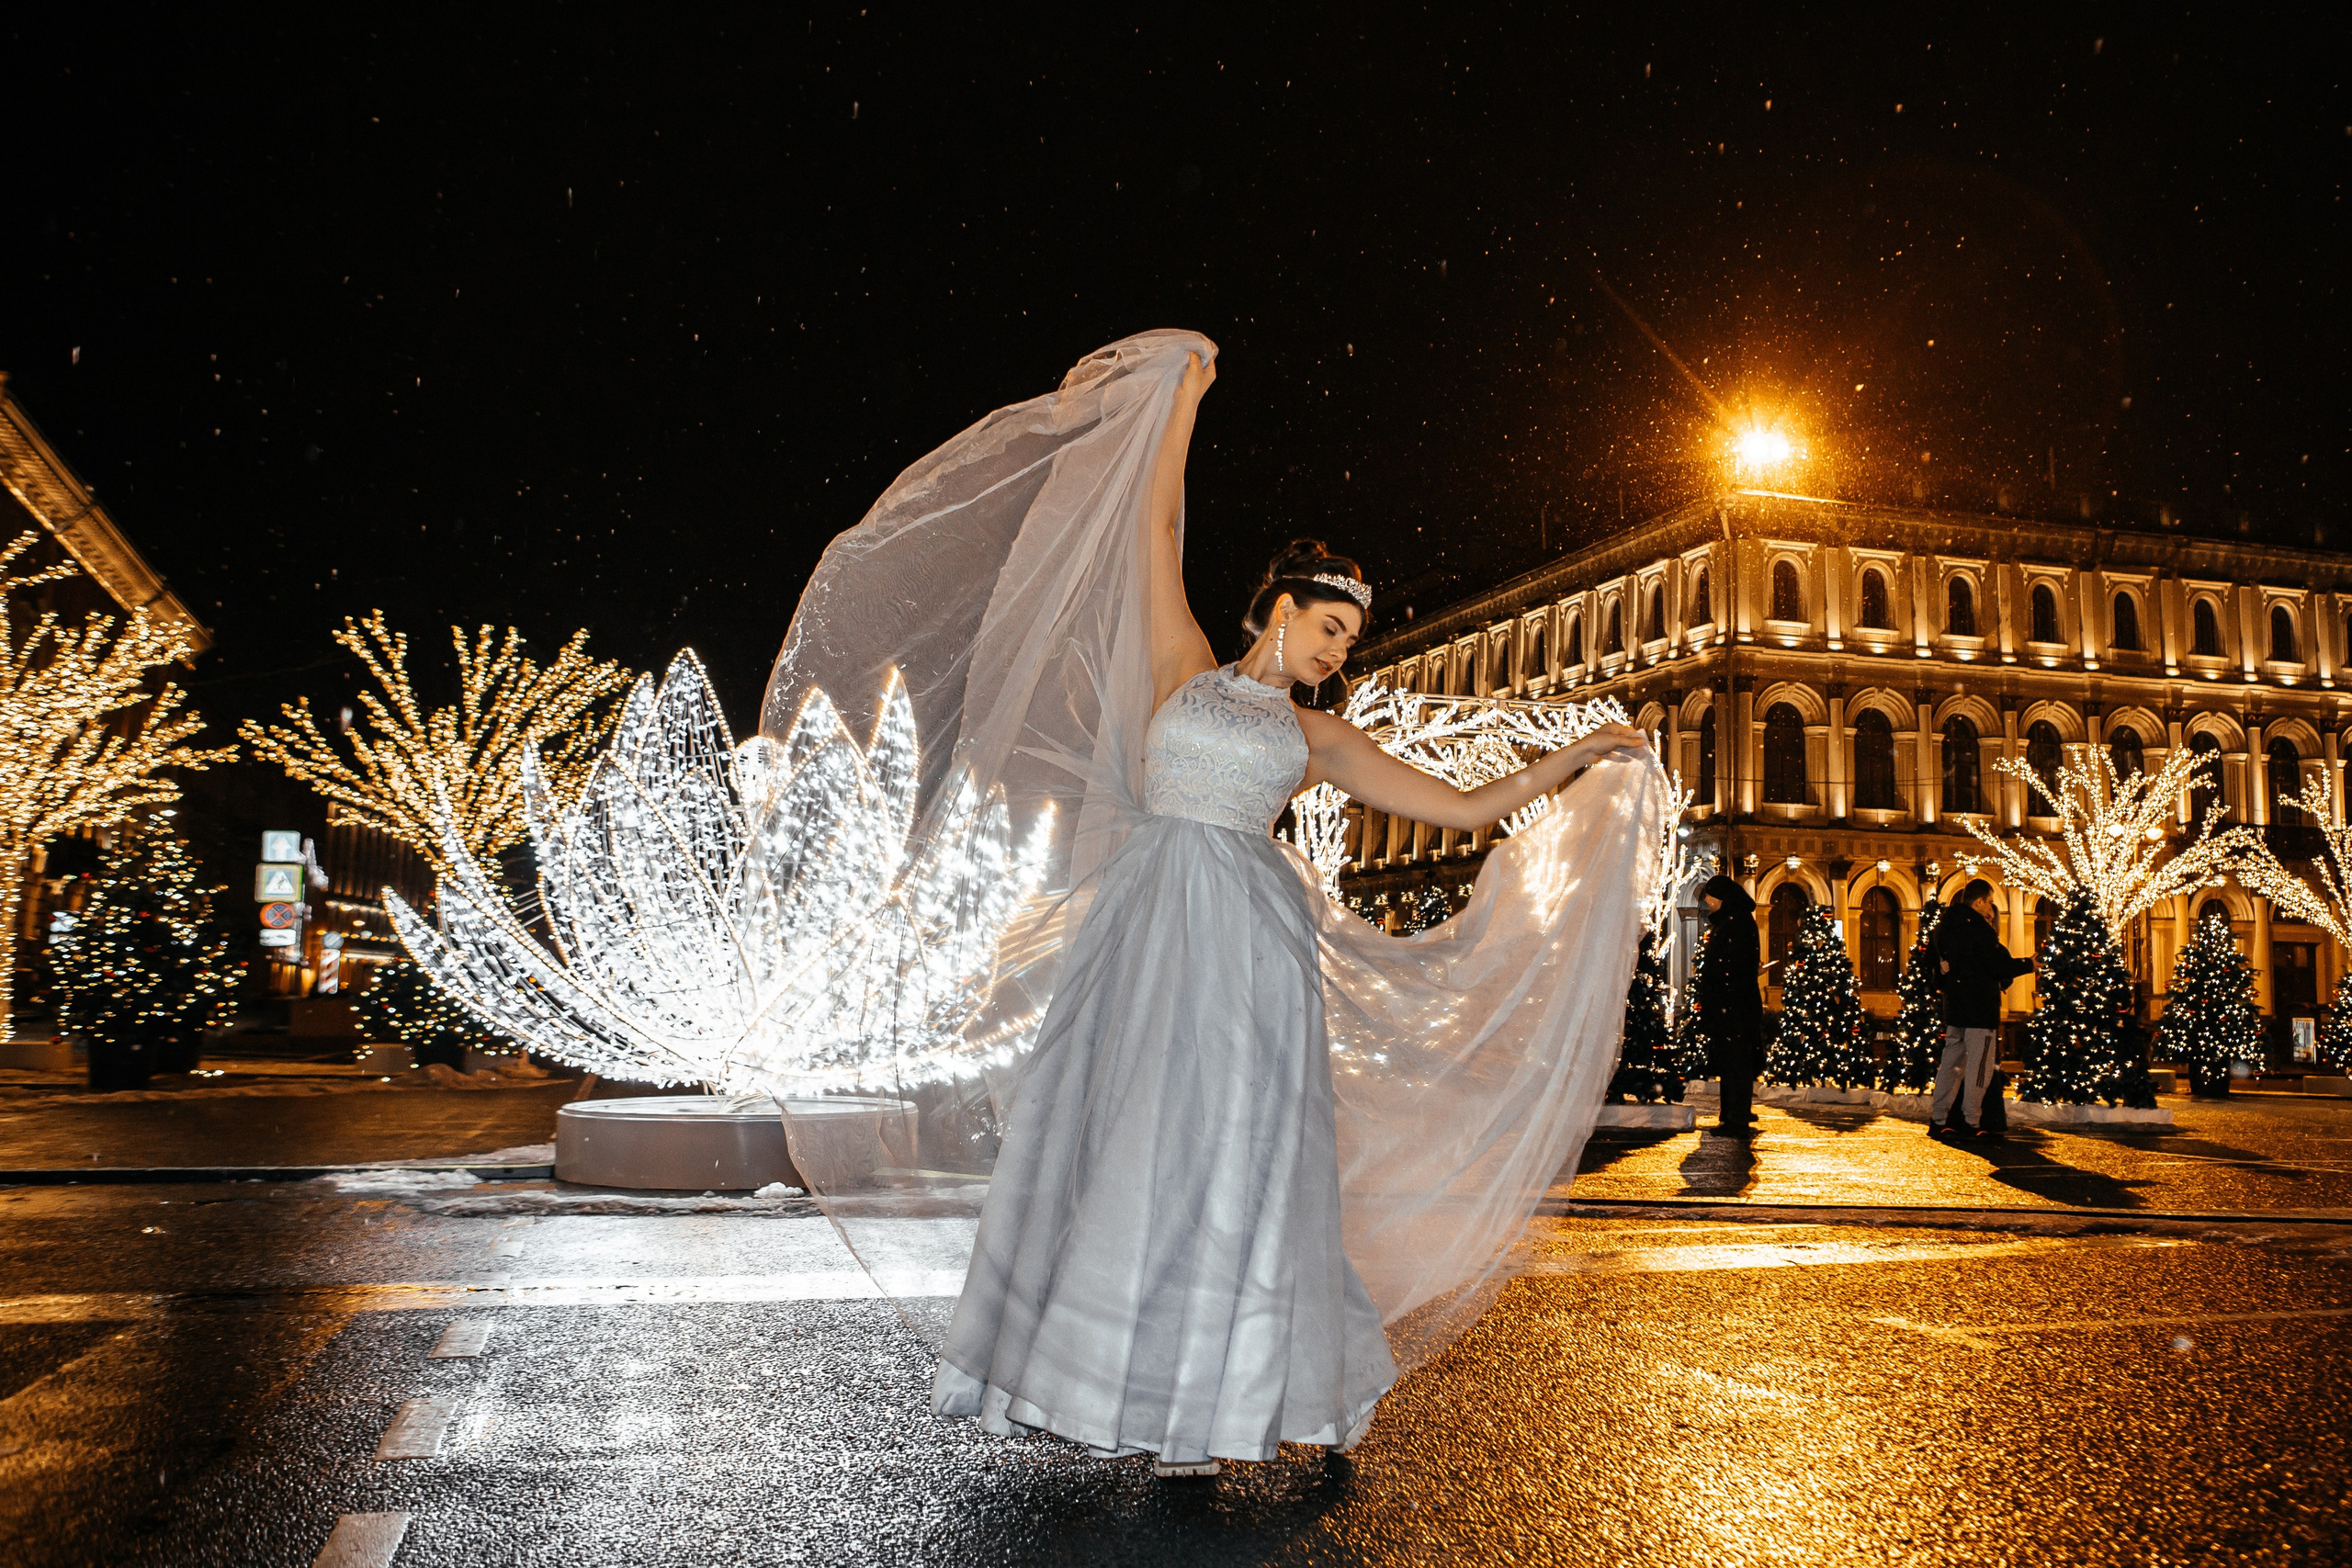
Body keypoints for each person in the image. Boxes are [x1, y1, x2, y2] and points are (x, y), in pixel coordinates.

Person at [763, 332, 1668, 1481]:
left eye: (1348, 641)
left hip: (1249, 940)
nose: (1338, 655)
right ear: (1279, 609)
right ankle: (1121, 1381)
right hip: (1146, 925)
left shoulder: (1317, 736)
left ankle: (1232, 1392)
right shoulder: (1181, 665)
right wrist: (1180, 399)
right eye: (1328, 628)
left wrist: (1577, 755)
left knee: (1240, 1155)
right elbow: (1147, 525)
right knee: (1129, 1141)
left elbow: (1458, 806)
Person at [1930, 878, 2033, 1140]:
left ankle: (1939, 1118)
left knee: (1951, 1065)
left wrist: (1944, 976)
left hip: (1955, 1010)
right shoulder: (1979, 930)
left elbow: (1932, 967)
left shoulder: (1944, 928)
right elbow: (1997, 966)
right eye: (1988, 901)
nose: (1990, 906)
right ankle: (1971, 1121)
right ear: (1978, 901)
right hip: (1980, 1010)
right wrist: (2028, 964)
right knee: (1979, 1067)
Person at [1693, 874, 1763, 1135]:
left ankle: (1736, 1118)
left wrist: (1718, 994)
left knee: (1735, 1063)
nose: (1708, 902)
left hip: (1733, 1006)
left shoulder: (1736, 923)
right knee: (1731, 1061)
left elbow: (1731, 966)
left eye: (1709, 896)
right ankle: (1732, 1113)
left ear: (1721, 897)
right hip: (1733, 1005)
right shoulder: (1735, 921)